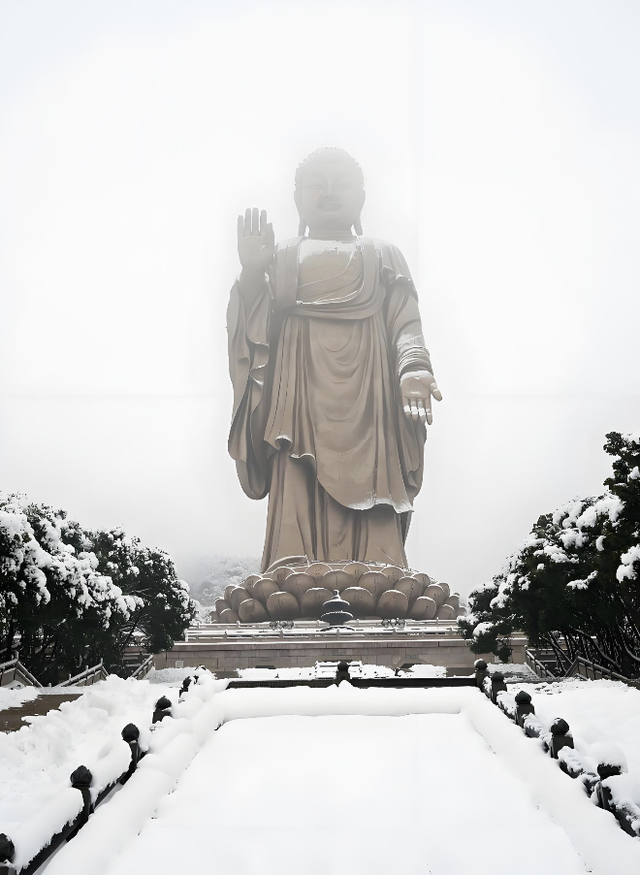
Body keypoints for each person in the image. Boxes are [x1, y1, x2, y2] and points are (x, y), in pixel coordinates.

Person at [227, 148, 441, 572]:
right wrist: (252, 275)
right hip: (298, 389)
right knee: (294, 464)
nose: (327, 193)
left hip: (370, 393)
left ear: (361, 196)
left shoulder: (382, 253)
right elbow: (254, 333)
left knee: (375, 475)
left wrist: (414, 366)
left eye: (340, 183)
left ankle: (382, 567)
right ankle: (290, 565)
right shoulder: (282, 255)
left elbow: (406, 321)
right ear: (298, 198)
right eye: (315, 184)